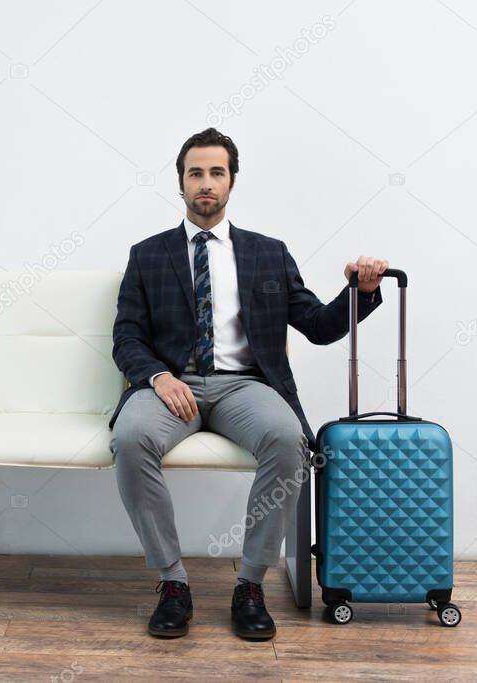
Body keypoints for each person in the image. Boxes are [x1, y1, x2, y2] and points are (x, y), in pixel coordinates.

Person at [108, 127, 388, 640]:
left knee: (288, 439)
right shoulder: (147, 254)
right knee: (129, 438)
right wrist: (158, 375)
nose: (206, 183)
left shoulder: (268, 252)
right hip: (173, 387)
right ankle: (172, 582)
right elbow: (126, 335)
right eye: (196, 173)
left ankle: (250, 585)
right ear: (181, 182)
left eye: (217, 172)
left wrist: (360, 291)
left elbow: (320, 327)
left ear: (232, 181)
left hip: (245, 386)